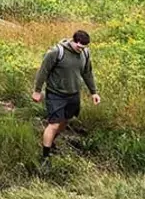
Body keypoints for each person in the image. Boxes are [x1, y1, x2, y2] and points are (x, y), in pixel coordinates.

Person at [33, 30, 101, 165]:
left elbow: (87, 73)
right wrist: (37, 91)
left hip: (73, 94)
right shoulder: (56, 52)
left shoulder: (85, 53)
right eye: (79, 47)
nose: (81, 50)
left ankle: (51, 142)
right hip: (56, 94)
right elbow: (43, 71)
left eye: (84, 47)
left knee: (65, 121)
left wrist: (94, 92)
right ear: (73, 41)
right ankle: (45, 157)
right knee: (54, 124)